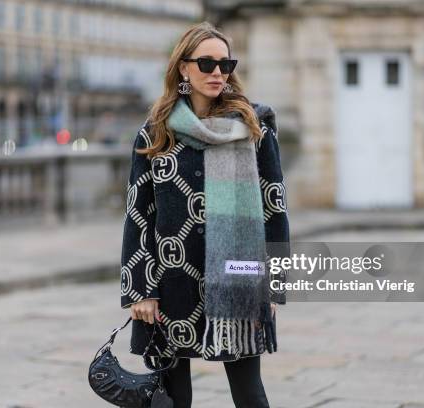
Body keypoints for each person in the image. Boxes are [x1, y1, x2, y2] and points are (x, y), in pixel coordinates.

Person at [119, 21, 290, 408]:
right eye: (206, 63)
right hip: (169, 281)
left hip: (238, 279)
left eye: (225, 64)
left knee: (250, 394)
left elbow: (274, 208)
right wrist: (140, 290)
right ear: (183, 68)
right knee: (173, 396)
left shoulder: (253, 127)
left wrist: (275, 282)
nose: (217, 73)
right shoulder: (156, 132)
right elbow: (138, 215)